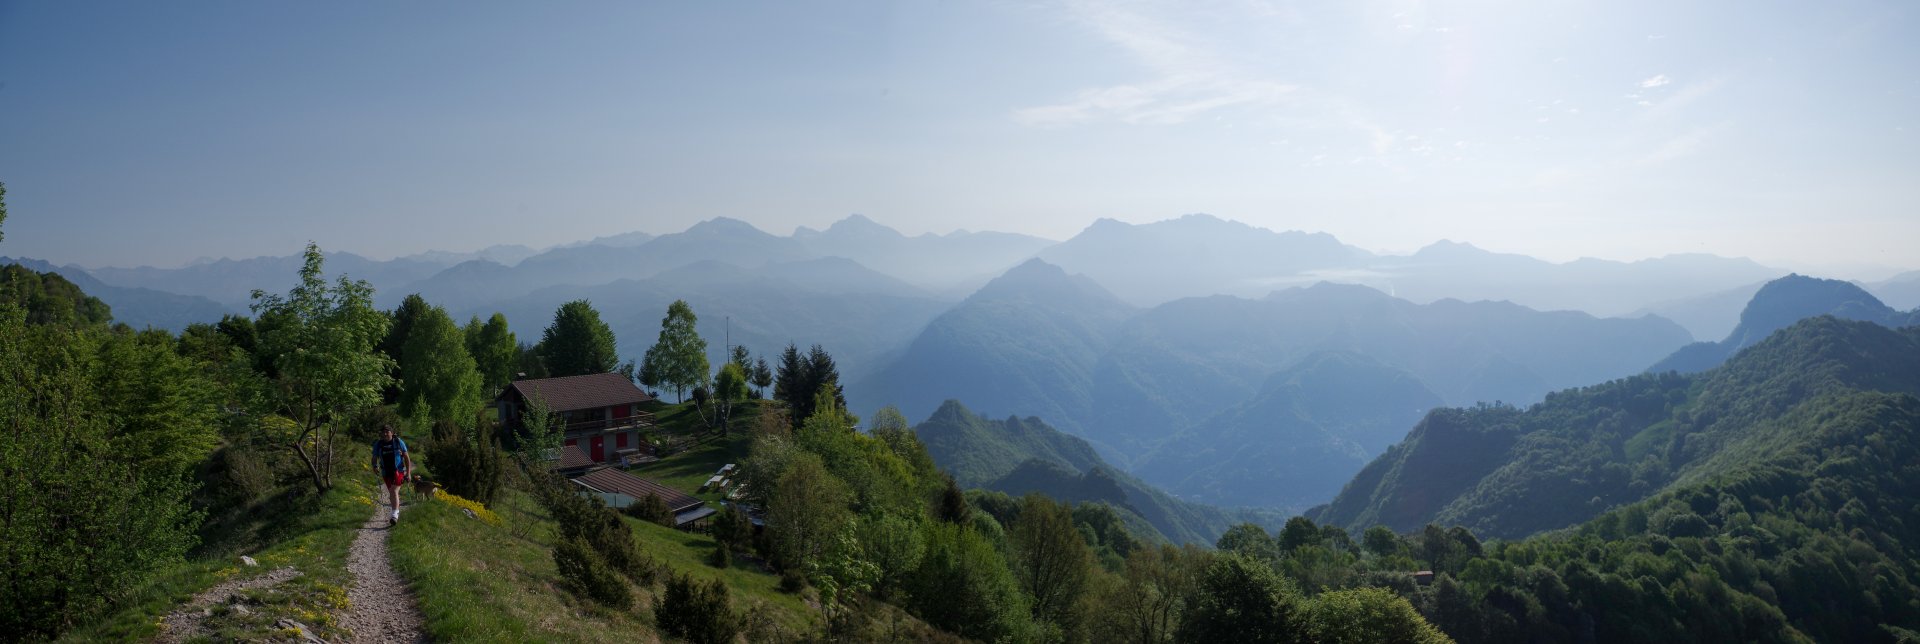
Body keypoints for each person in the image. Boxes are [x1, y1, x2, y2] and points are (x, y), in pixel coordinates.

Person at [372, 425, 411, 525]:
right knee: (393, 494)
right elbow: (374, 456)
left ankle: (394, 515)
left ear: (392, 433)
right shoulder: (379, 444)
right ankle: (396, 511)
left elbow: (406, 457)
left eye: (387, 431)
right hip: (386, 473)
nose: (385, 434)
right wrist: (375, 466)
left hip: (398, 472)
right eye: (383, 432)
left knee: (394, 491)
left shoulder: (398, 442)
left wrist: (409, 473)